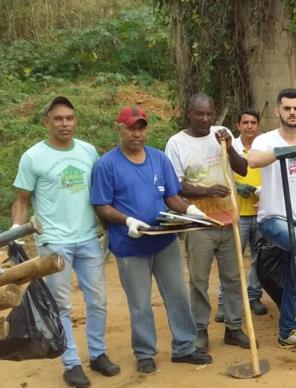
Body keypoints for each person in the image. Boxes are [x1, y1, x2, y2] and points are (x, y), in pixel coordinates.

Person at [90, 106, 213, 373]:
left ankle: (185, 346)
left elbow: (171, 196)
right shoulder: (106, 164)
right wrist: (127, 220)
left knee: (178, 294)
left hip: (163, 240)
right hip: (129, 244)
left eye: (141, 128)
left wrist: (190, 210)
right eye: (131, 128)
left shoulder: (158, 159)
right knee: (140, 303)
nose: (137, 134)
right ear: (119, 128)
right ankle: (145, 352)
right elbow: (101, 205)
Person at [10, 96, 119, 388]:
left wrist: (109, 229)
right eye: (58, 119)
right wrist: (15, 234)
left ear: (76, 120)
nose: (64, 124)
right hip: (54, 243)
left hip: (88, 240)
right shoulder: (33, 157)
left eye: (69, 118)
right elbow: (22, 199)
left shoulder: (88, 151)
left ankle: (97, 354)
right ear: (47, 122)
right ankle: (71, 363)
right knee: (62, 306)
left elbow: (99, 196)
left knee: (98, 301)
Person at [164, 93, 252, 354]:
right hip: (198, 222)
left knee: (233, 278)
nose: (205, 119)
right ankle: (200, 330)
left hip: (228, 220)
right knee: (199, 280)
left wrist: (230, 147)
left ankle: (234, 328)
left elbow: (242, 169)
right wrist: (205, 192)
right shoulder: (176, 143)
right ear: (189, 113)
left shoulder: (222, 134)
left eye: (209, 114)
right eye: (199, 114)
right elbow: (174, 185)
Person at [247, 88, 296, 347]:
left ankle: (287, 331)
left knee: (294, 275)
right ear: (278, 111)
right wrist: (283, 152)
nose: (292, 113)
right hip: (273, 216)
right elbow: (253, 161)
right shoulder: (266, 140)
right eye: (287, 108)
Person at [215, 110, 268, 323]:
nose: (249, 126)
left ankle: (254, 296)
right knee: (231, 261)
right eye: (245, 122)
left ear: (258, 125)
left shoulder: (264, 148)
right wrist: (237, 186)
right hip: (237, 215)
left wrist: (262, 192)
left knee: (259, 259)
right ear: (238, 125)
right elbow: (221, 174)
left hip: (261, 213)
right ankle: (223, 303)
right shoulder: (229, 147)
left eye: (253, 122)